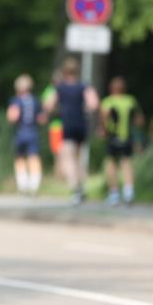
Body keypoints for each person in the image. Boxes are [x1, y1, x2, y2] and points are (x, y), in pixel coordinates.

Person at [43, 56, 98, 204]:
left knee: (68, 157)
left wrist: (55, 109)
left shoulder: (59, 87)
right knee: (78, 157)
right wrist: (84, 108)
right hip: (81, 123)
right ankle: (82, 186)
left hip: (67, 124)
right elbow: (93, 104)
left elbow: (48, 105)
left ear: (64, 72)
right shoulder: (83, 86)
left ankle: (75, 189)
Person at [99, 76, 144, 205]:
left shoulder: (108, 101)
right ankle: (129, 191)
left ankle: (114, 193)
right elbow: (140, 120)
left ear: (111, 88)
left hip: (113, 137)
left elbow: (104, 117)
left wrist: (103, 129)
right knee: (127, 163)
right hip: (128, 137)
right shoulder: (131, 101)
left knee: (110, 163)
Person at [7, 74, 45, 196]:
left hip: (21, 132)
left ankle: (23, 186)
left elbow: (13, 117)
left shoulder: (16, 100)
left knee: (20, 159)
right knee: (34, 158)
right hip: (33, 132)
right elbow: (42, 119)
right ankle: (34, 186)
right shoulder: (36, 100)